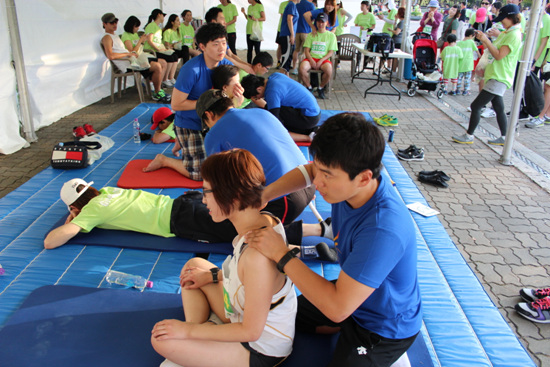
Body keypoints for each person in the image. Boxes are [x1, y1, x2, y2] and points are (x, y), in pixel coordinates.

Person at [245, 113, 422, 366]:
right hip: (350, 292)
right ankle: (337, 327)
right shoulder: (348, 185)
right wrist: (267, 193)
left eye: (327, 175)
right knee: (276, 316)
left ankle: (349, 334)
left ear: (364, 177)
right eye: (318, 168)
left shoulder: (383, 229)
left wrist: (282, 254)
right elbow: (310, 171)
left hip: (381, 325)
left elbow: (338, 307)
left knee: (335, 315)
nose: (317, 183)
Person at [151, 149, 297, 367]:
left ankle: (198, 338)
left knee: (162, 341)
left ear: (231, 195)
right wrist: (212, 275)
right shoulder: (261, 220)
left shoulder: (257, 257)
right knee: (194, 267)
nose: (203, 200)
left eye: (206, 192)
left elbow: (251, 331)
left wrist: (187, 330)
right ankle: (202, 337)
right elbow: (247, 279)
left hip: (259, 349)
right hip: (239, 314)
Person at [197, 89, 316, 223]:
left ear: (209, 115)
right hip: (308, 181)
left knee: (221, 223)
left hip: (283, 200)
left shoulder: (214, 134)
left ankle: (313, 230)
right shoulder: (262, 112)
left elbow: (217, 184)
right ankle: (320, 229)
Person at [143, 23, 233, 180]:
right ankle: (165, 159)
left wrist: (237, 93)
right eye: (216, 44)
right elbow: (176, 105)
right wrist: (208, 101)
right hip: (191, 124)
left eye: (224, 43)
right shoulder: (191, 70)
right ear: (203, 47)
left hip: (215, 123)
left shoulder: (227, 65)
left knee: (228, 165)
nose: (221, 49)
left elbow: (235, 98)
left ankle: (182, 144)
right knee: (200, 174)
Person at [452, 4, 522, 146]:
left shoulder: (513, 35)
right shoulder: (507, 33)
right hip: (496, 74)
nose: (502, 21)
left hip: (499, 76)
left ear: (511, 18)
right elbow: (493, 51)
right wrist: (486, 40)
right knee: (498, 107)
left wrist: (486, 40)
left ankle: (469, 135)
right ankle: (505, 137)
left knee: (476, 106)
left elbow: (499, 55)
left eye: (504, 18)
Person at [242, 73, 321, 142]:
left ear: (259, 89)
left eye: (256, 97)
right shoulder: (274, 76)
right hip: (314, 112)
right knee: (270, 110)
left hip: (309, 118)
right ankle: (307, 131)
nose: (258, 99)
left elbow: (275, 122)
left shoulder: (271, 92)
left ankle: (308, 137)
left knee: (272, 125)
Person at [120, 15, 169, 102]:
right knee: (157, 66)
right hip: (136, 60)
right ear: (131, 26)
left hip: (142, 56)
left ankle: (157, 86)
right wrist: (140, 41)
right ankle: (156, 91)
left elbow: (139, 48)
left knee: (163, 63)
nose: (138, 28)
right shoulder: (126, 36)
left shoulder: (134, 34)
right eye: (136, 26)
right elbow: (132, 52)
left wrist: (143, 41)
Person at [299, 12, 338, 99]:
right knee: (302, 68)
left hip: (323, 59)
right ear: (316, 22)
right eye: (319, 22)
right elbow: (306, 50)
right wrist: (311, 60)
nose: (320, 24)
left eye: (322, 22)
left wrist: (321, 61)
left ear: (327, 23)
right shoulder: (311, 34)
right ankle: (309, 87)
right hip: (311, 58)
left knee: (328, 70)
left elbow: (331, 52)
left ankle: (321, 87)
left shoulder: (331, 35)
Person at [143, 9, 178, 89]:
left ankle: (167, 79)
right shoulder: (151, 26)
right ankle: (159, 81)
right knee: (169, 58)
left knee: (174, 56)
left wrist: (166, 49)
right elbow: (150, 41)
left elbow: (158, 42)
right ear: (159, 15)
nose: (164, 18)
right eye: (163, 15)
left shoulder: (158, 27)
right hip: (152, 51)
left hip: (158, 50)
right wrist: (159, 50)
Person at [290, 0, 316, 76]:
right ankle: (302, 69)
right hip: (306, 31)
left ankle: (294, 68)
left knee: (296, 50)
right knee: (305, 51)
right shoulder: (311, 5)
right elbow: (313, 18)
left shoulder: (297, 4)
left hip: (296, 30)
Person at [456, 28, 481, 96]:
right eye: (473, 36)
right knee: (467, 78)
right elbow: (476, 50)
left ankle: (457, 90)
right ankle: (465, 91)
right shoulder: (471, 42)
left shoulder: (459, 43)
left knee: (459, 78)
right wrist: (480, 56)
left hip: (460, 63)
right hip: (468, 63)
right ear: (471, 35)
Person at [278, 0, 300, 73]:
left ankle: (286, 76)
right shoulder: (291, 5)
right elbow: (289, 19)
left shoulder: (292, 5)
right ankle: (282, 78)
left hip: (287, 34)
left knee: (287, 58)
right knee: (286, 58)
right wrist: (292, 34)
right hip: (287, 34)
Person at [162, 14, 183, 85]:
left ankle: (171, 77)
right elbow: (166, 44)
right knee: (173, 56)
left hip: (176, 49)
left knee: (185, 50)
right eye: (177, 20)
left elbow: (180, 42)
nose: (179, 22)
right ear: (172, 22)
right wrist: (174, 45)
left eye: (179, 20)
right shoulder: (168, 31)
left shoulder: (178, 31)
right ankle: (166, 78)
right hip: (169, 50)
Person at [276, 0, 290, 68]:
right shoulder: (283, 4)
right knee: (280, 46)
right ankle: (279, 62)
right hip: (282, 29)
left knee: (289, 48)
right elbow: (283, 16)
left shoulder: (296, 4)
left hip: (291, 30)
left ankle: (287, 63)